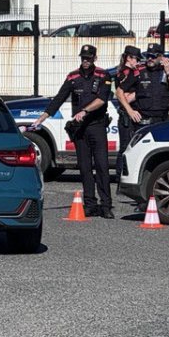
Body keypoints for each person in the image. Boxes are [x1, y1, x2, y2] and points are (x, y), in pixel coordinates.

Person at [29, 44, 114, 218]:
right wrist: (41, 119)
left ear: (94, 59)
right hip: (80, 129)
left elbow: (101, 100)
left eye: (89, 58)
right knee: (84, 168)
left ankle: (106, 205)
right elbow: (59, 98)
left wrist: (85, 111)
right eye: (83, 57)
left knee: (102, 166)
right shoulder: (73, 77)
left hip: (96, 126)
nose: (85, 61)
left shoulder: (103, 75)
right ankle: (90, 204)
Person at [121, 43, 169, 127]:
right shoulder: (139, 71)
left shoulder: (167, 72)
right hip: (143, 123)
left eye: (153, 56)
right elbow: (119, 92)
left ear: (161, 57)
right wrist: (130, 111)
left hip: (163, 122)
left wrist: (168, 72)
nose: (150, 58)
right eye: (148, 55)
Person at [114, 45, 141, 172]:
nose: (137, 62)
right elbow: (124, 97)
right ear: (129, 58)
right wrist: (141, 92)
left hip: (131, 115)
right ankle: (121, 176)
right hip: (127, 116)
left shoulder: (125, 72)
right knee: (126, 148)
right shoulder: (126, 73)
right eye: (136, 59)